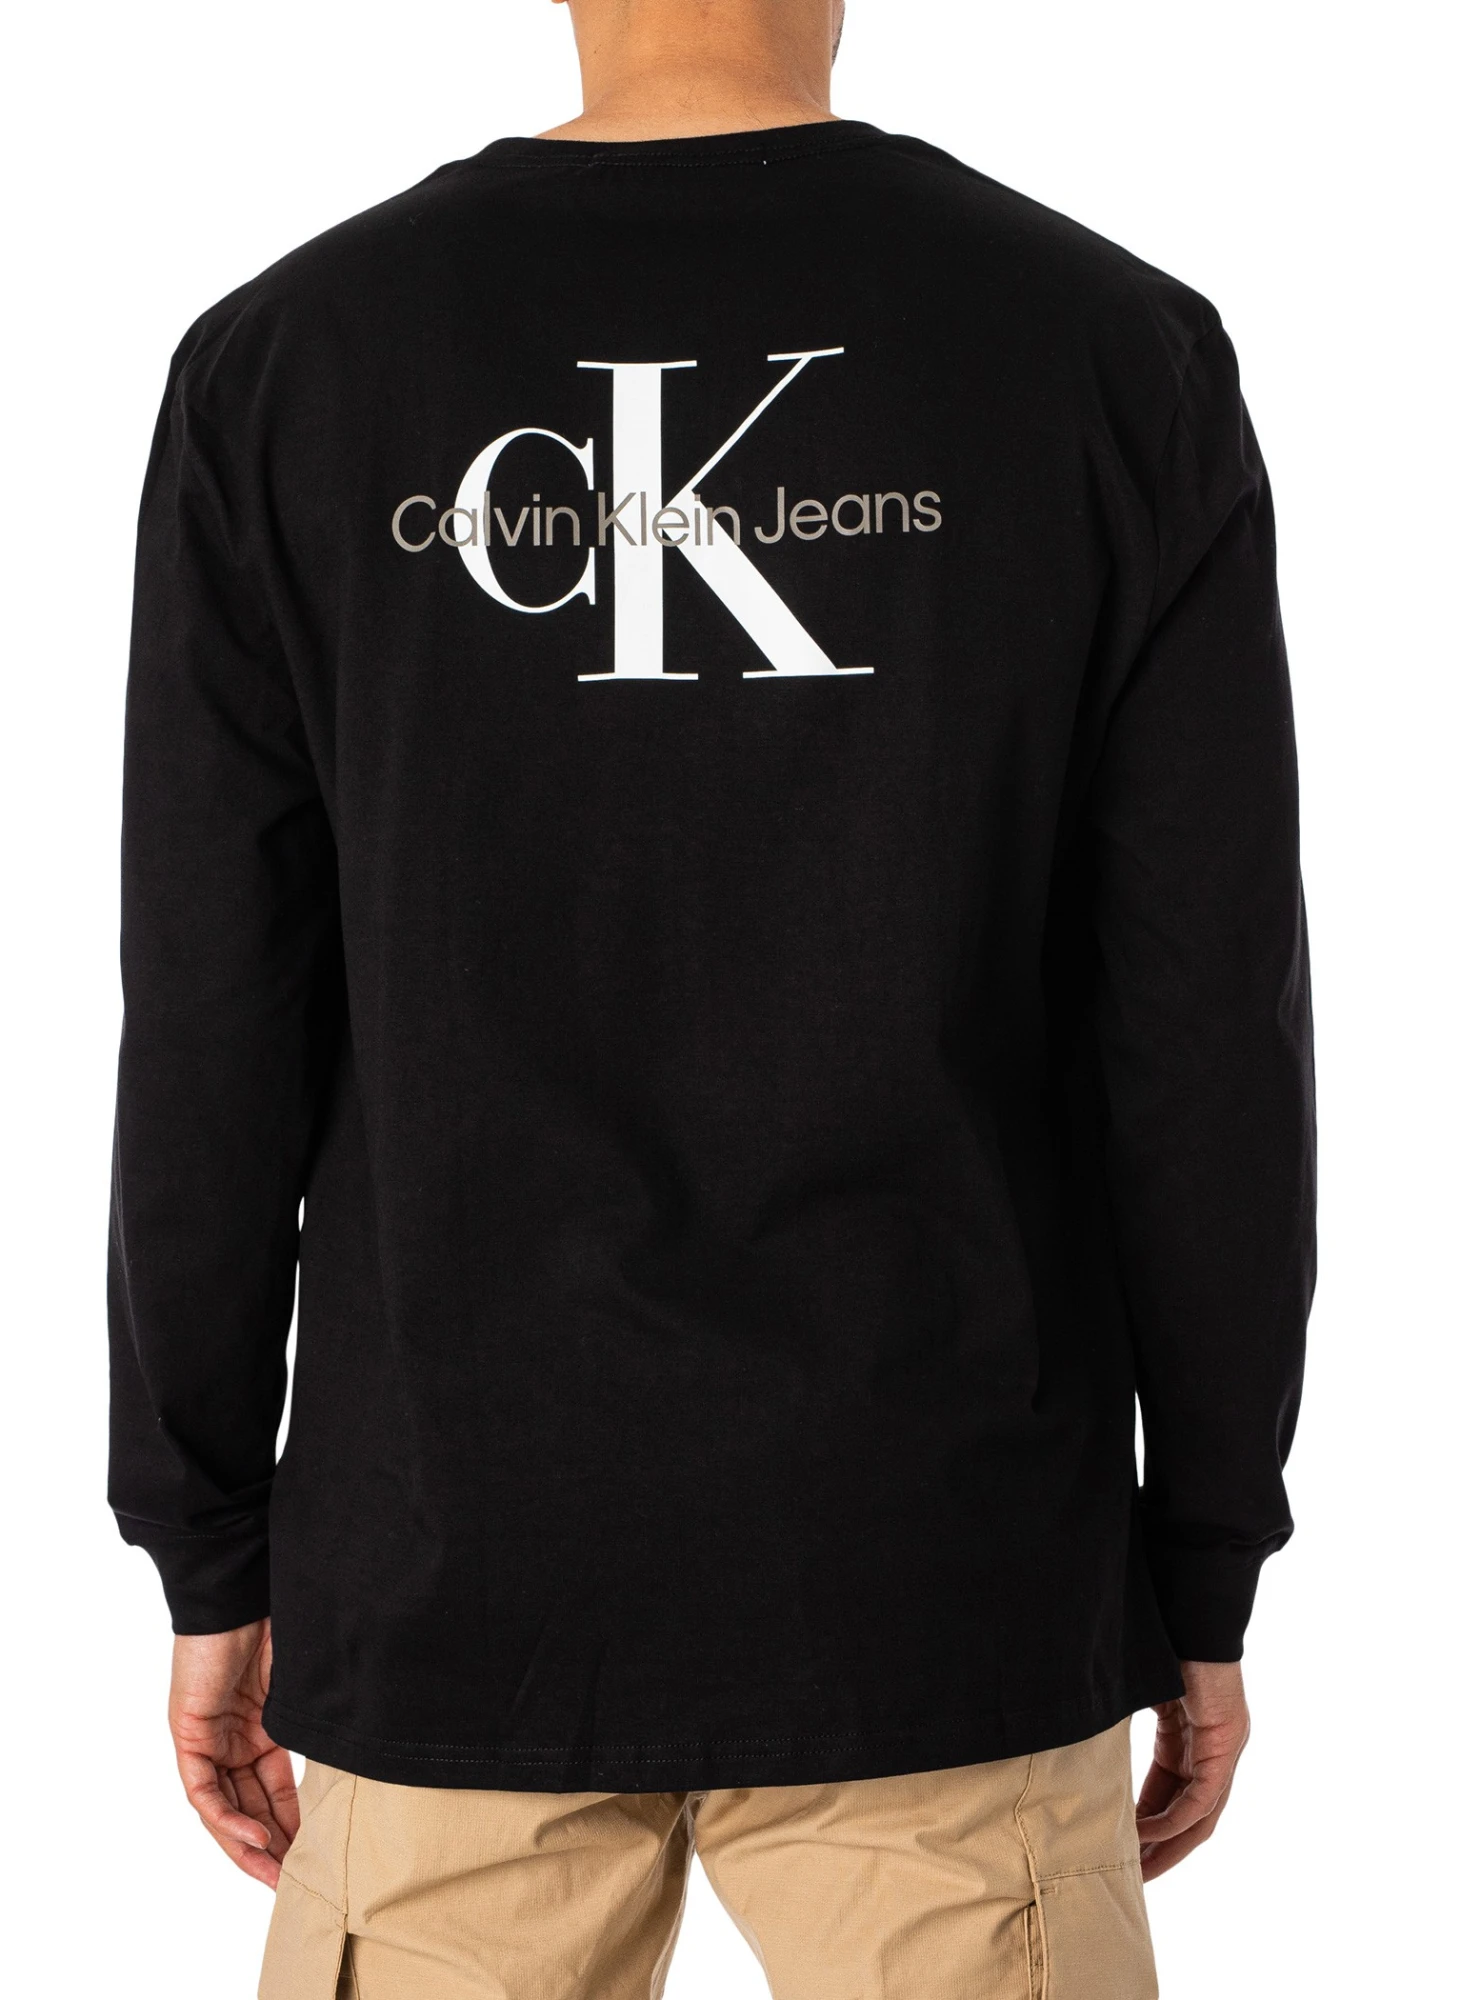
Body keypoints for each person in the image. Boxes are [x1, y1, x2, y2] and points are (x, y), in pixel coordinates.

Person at [108, 0, 1315, 1992]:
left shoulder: (290, 363)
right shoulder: (1105, 349)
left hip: (450, 1570)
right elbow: (1203, 1037)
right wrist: (1201, 1561)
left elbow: (214, 1019)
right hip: (942, 1580)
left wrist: (212, 1545)